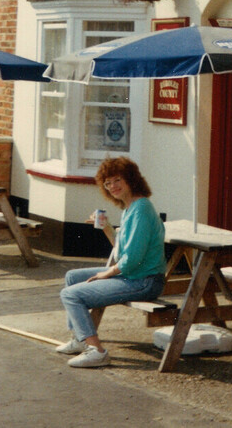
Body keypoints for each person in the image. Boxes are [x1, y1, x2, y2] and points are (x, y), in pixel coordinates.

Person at [57, 156, 166, 368]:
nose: (112, 186)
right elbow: (122, 251)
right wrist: (107, 228)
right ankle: (80, 339)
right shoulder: (129, 209)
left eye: (117, 180)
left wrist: (107, 273)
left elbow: (133, 259)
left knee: (70, 295)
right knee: (72, 277)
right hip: (133, 275)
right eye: (107, 183)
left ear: (131, 179)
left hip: (145, 280)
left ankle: (97, 352)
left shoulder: (142, 209)